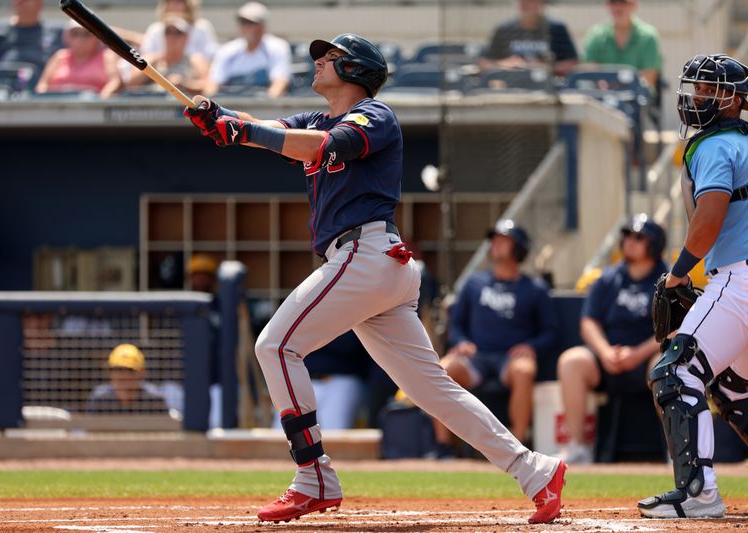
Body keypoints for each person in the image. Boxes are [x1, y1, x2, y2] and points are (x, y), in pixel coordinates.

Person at [184, 33, 566, 524]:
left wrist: (239, 130)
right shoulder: (314, 119)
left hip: (365, 254)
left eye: (332, 57)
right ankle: (536, 471)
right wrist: (219, 117)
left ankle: (313, 477)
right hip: (372, 265)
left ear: (358, 70)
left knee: (274, 346)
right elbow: (269, 129)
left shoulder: (375, 115)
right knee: (433, 390)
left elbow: (321, 147)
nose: (319, 61)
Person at [637, 54, 748, 519]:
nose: (697, 97)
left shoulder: (715, 145)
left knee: (675, 372)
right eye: (697, 89)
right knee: (736, 385)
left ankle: (699, 492)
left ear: (736, 100)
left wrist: (678, 272)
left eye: (709, 91)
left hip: (740, 277)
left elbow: (709, 218)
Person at [435, 220, 557, 452]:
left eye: (504, 241)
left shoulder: (535, 288)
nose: (496, 245)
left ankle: (517, 446)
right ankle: (443, 446)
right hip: (476, 357)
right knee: (442, 368)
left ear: (519, 248)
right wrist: (461, 342)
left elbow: (550, 331)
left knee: (525, 370)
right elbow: (456, 324)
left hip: (509, 360)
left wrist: (531, 346)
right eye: (495, 241)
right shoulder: (474, 283)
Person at [556, 214, 667, 464]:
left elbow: (675, 329)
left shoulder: (668, 280)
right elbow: (588, 322)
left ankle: (678, 453)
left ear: (655, 243)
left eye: (638, 237)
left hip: (648, 358)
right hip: (609, 360)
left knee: (667, 366)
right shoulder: (608, 278)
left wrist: (637, 354)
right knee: (571, 361)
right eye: (627, 235)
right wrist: (605, 351)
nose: (629, 241)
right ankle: (577, 447)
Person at [204, 2, 291, 98]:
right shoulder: (226, 50)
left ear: (263, 26)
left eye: (251, 23)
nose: (246, 27)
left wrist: (264, 108)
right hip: (231, 108)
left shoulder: (278, 47)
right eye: (243, 23)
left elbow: (279, 84)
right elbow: (212, 85)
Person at [480, 0, 578, 76]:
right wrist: (504, 65)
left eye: (532, 0)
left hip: (547, 86)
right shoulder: (504, 29)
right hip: (510, 85)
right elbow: (484, 63)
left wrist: (547, 67)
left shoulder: (556, 29)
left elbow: (572, 63)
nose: (527, 3)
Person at [582, 0, 661, 92]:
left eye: (623, 2)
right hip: (603, 96)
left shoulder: (648, 36)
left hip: (638, 97)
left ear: (633, 5)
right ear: (607, 5)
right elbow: (590, 70)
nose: (618, 7)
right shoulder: (596, 35)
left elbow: (649, 77)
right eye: (613, 2)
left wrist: (617, 86)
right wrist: (601, 83)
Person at [0, 0, 62, 76]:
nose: (21, 3)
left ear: (39, 4)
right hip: (2, 88)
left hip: (42, 91)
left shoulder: (55, 31)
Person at [35, 21, 121, 98]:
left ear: (97, 37)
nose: (80, 39)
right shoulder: (60, 56)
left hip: (92, 108)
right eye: (75, 33)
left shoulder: (107, 56)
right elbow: (43, 84)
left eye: (86, 33)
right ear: (67, 37)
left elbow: (115, 82)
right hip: (57, 108)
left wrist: (101, 100)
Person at [186, 254, 223, 428]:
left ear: (212, 279)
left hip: (217, 380)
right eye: (196, 275)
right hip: (184, 382)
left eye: (205, 275)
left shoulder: (222, 305)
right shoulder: (182, 306)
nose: (200, 280)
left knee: (217, 425)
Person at [128, 16, 209, 95]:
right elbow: (130, 85)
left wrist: (183, 83)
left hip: (183, 106)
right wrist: (152, 70)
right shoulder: (152, 59)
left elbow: (209, 87)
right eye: (168, 32)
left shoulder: (195, 60)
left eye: (177, 33)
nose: (172, 37)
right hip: (153, 105)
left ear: (186, 37)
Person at [86, 343, 170, 415]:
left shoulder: (154, 400)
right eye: (116, 369)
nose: (122, 376)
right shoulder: (99, 399)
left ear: (142, 373)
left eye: (128, 370)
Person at [141, 0, 218, 62]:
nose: (173, 6)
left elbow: (211, 56)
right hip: (159, 72)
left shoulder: (202, 27)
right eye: (168, 32)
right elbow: (145, 57)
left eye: (178, 33)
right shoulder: (155, 29)